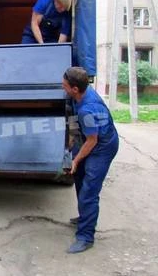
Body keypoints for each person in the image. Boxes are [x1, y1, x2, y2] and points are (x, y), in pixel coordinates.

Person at [62, 67, 119, 253]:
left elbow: (92, 141)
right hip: (88, 138)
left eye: (65, 85)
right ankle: (85, 215)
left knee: (89, 190)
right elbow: (72, 116)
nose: (62, 87)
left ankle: (85, 236)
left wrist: (76, 159)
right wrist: (71, 139)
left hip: (102, 146)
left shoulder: (88, 109)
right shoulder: (76, 96)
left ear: (75, 89)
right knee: (78, 176)